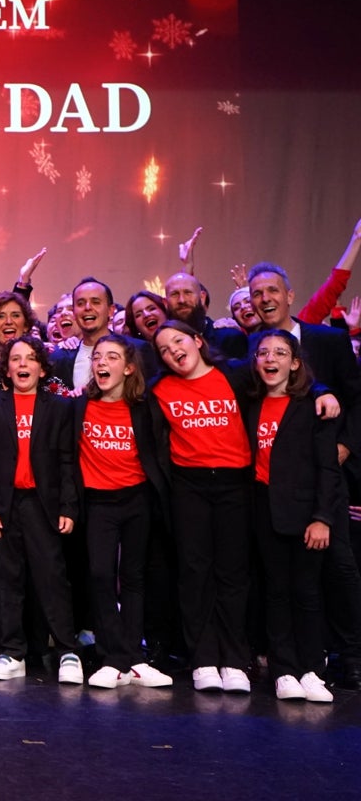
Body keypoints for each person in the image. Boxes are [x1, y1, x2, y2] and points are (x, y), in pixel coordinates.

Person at [248, 261, 361, 689]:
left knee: (338, 571)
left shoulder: (327, 340)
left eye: (272, 290)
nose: (265, 299)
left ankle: (347, 658)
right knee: (279, 584)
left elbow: (355, 396)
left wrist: (343, 446)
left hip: (323, 479)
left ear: (290, 295)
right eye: (257, 293)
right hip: (272, 497)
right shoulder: (251, 348)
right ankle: (286, 664)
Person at [0, 336, 84, 685]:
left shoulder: (58, 407)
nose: (23, 365)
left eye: (30, 359)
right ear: (6, 368)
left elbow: (68, 461)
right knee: (9, 581)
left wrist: (68, 505)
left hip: (42, 505)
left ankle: (67, 650)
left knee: (52, 580)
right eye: (16, 359)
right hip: (5, 507)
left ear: (42, 367)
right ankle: (12, 651)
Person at [149, 320, 254, 692]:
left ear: (197, 340)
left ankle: (236, 661)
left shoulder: (237, 375)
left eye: (178, 341)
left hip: (235, 485)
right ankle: (205, 659)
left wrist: (323, 390)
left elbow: (285, 385)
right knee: (195, 574)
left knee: (233, 574)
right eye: (163, 349)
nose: (173, 350)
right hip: (189, 486)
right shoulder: (159, 389)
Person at [247, 329, 342, 701]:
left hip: (304, 514)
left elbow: (327, 468)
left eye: (281, 353)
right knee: (275, 591)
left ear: (295, 362)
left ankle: (311, 670)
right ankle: (284, 670)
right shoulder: (250, 402)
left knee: (306, 592)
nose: (271, 359)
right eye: (264, 353)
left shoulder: (311, 404)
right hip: (262, 511)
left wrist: (322, 518)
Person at [74, 335, 172, 688]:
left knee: (134, 578)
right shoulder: (80, 407)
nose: (102, 362)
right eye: (97, 356)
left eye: (112, 357)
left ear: (128, 367)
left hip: (136, 500)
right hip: (98, 503)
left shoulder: (144, 408)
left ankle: (133, 657)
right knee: (100, 575)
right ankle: (111, 656)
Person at [51, 278, 157, 391]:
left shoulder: (138, 349)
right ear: (74, 312)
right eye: (80, 303)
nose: (87, 308)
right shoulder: (59, 357)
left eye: (95, 302)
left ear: (111, 310)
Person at [164, 271, 246, 358]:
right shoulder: (163, 346)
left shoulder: (230, 339)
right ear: (165, 303)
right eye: (174, 294)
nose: (182, 300)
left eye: (188, 292)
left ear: (202, 298)